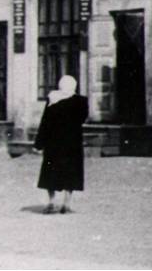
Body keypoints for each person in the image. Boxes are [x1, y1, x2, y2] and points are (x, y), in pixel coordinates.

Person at [33, 75, 88, 214]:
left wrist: (39, 144)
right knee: (71, 172)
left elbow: (45, 122)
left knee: (51, 171)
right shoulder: (81, 101)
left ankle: (51, 203)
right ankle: (66, 204)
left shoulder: (52, 98)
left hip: (53, 142)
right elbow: (82, 118)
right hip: (72, 143)